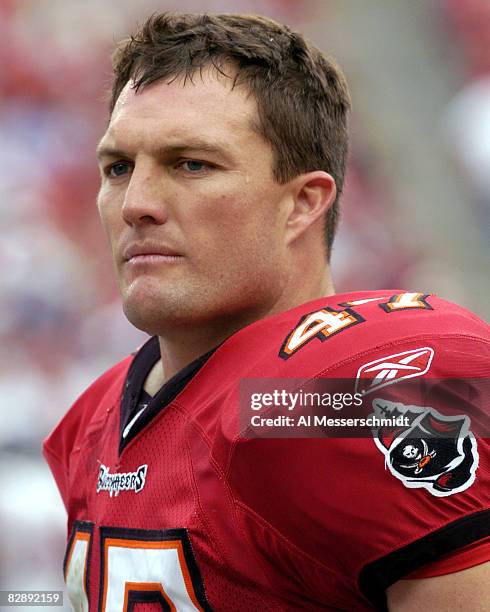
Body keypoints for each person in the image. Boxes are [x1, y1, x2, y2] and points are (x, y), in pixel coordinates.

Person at [43, 12, 490, 611]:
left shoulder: (343, 395)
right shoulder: (90, 422)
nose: (137, 205)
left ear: (303, 203)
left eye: (191, 164)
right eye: (118, 167)